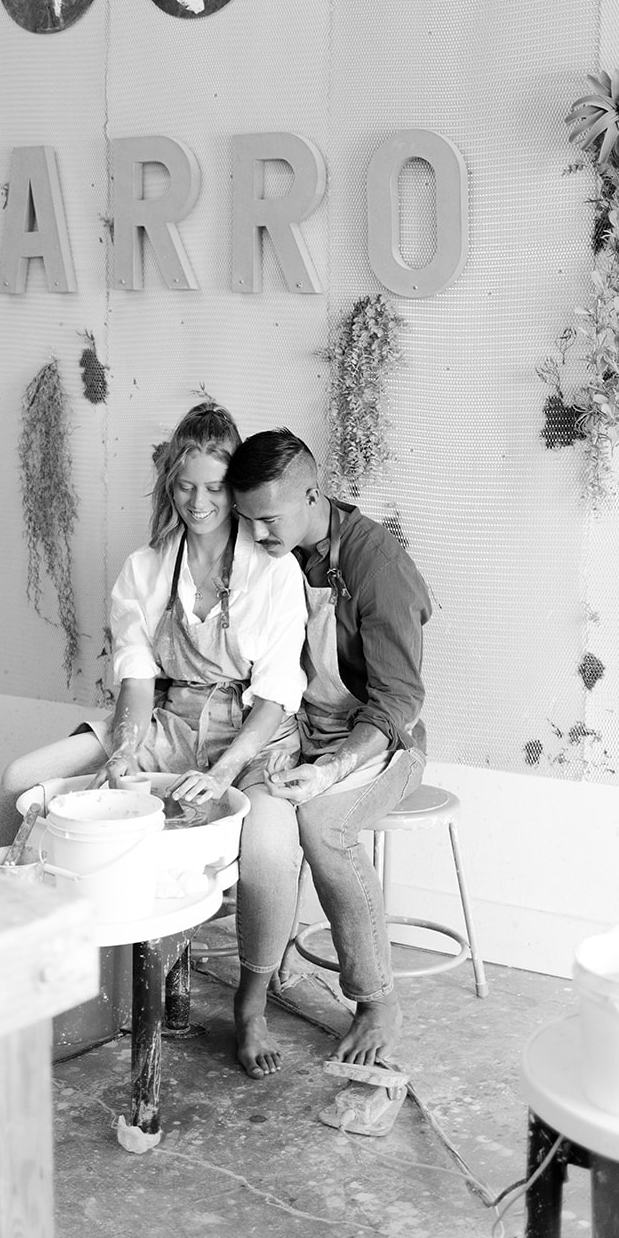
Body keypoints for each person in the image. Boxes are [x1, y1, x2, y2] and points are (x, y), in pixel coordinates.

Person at [0, 404, 308, 1008]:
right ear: (170, 485)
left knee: (266, 843)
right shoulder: (148, 566)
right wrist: (127, 751)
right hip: (168, 720)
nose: (199, 501)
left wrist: (222, 772)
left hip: (254, 734)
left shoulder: (275, 570)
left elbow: (274, 697)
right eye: (185, 486)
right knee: (21, 779)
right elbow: (135, 677)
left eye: (215, 487)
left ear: (234, 490)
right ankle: (2, 935)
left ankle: (253, 999)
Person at [224, 429, 431, 1077]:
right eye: (246, 520)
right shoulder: (272, 554)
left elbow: (399, 700)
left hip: (377, 738)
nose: (256, 535)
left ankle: (376, 1000)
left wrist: (334, 767)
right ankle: (257, 981)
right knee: (254, 812)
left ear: (312, 494)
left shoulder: (378, 565)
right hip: (300, 725)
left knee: (322, 822)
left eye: (267, 519)